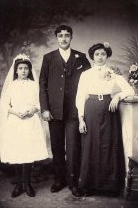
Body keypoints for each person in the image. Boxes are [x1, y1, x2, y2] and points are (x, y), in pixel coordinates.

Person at [76, 42, 134, 197]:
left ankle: (110, 187)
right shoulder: (86, 74)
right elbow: (80, 97)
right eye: (97, 54)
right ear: (92, 57)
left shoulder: (112, 73)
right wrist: (81, 119)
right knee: (91, 146)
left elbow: (130, 89)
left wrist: (117, 96)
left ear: (107, 56)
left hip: (109, 110)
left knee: (109, 145)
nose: (100, 57)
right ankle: (88, 185)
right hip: (91, 109)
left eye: (103, 54)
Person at [39, 25, 90, 197]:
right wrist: (45, 108)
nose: (63, 38)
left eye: (67, 35)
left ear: (71, 37)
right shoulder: (48, 58)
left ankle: (73, 181)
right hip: (54, 111)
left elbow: (90, 79)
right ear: (56, 38)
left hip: (74, 111)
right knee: (57, 146)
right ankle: (59, 179)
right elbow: (42, 85)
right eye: (60, 35)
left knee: (74, 147)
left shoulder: (81, 58)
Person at [0, 54, 49, 198]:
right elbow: (5, 105)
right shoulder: (11, 86)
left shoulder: (34, 85)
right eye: (20, 68)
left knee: (28, 153)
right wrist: (15, 112)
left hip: (30, 121)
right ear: (16, 70)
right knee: (17, 153)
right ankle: (19, 184)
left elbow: (40, 103)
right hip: (15, 122)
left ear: (29, 70)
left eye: (26, 68)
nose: (23, 71)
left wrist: (33, 110)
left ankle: (27, 184)